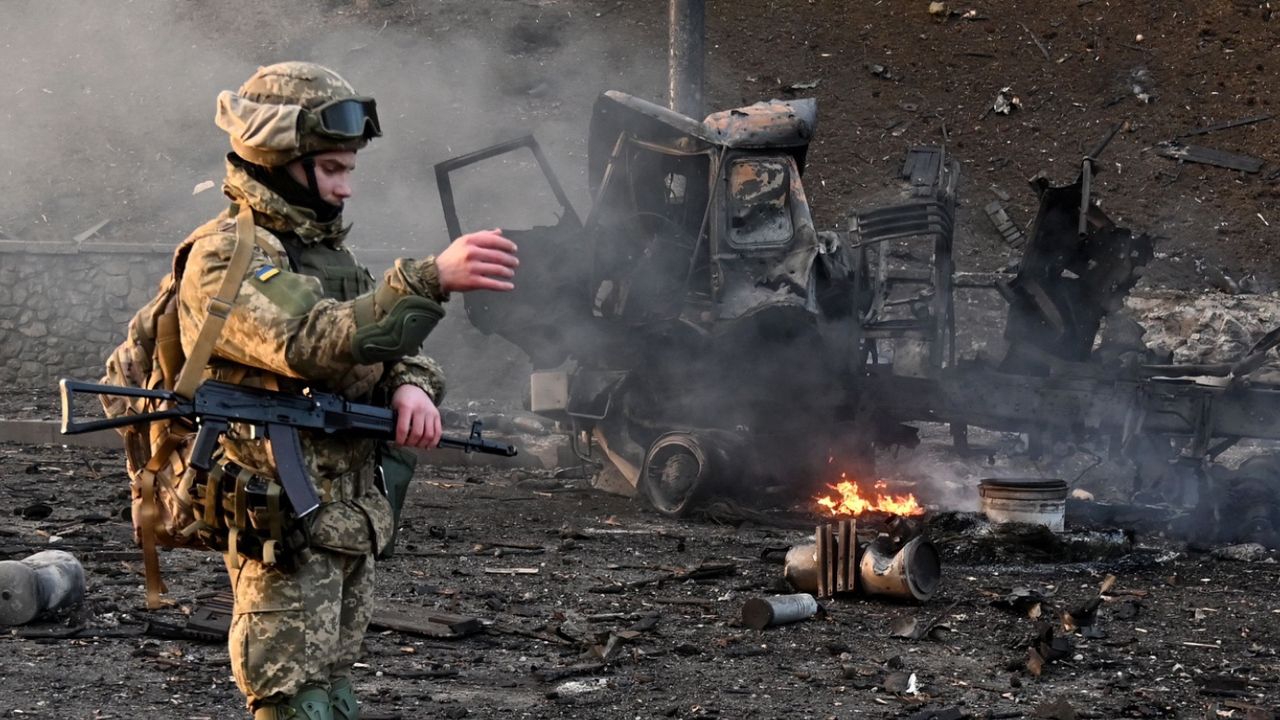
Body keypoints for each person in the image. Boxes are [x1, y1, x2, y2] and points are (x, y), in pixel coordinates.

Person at [182, 61, 519, 720]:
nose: (346, 189)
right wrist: (427, 279)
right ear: (280, 160)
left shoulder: (324, 256)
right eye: (333, 169)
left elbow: (392, 346)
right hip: (282, 513)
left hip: (345, 514)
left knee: (333, 688)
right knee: (290, 697)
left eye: (349, 170)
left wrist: (411, 388)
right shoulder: (227, 258)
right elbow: (311, 339)